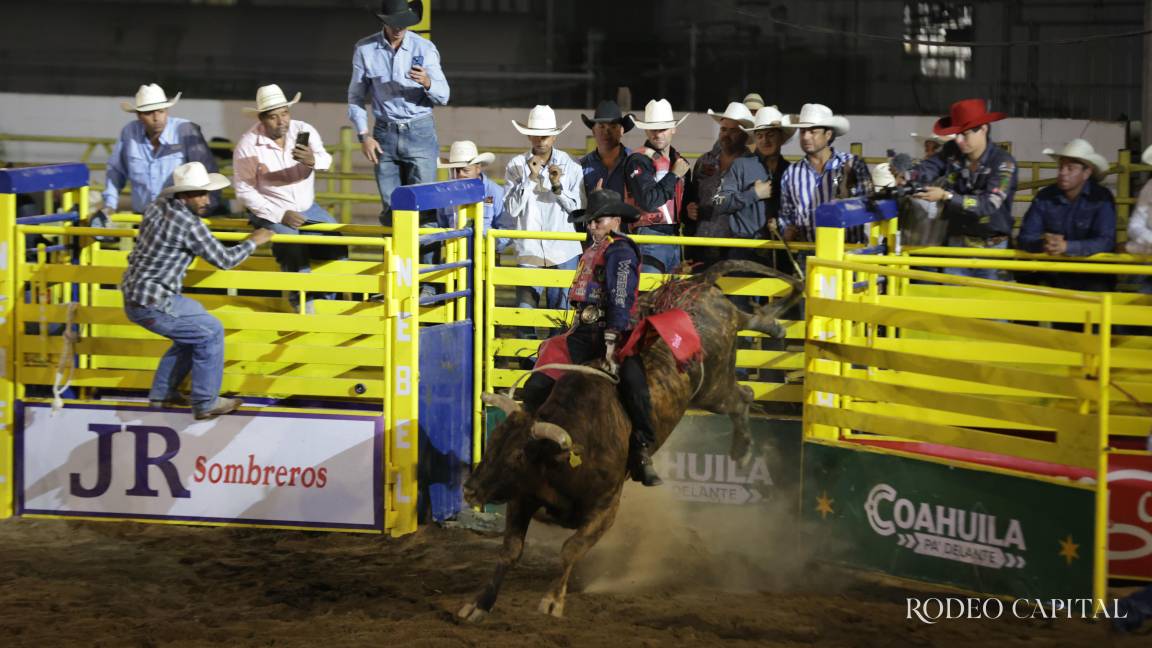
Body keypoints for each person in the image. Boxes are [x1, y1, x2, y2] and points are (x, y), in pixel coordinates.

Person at [521, 189, 662, 486]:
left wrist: (612, 339)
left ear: (616, 220)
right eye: (591, 221)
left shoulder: (620, 250)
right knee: (536, 384)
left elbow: (620, 295)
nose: (592, 226)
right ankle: (528, 441)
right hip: (581, 332)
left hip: (610, 333)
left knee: (635, 387)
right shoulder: (599, 245)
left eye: (598, 221)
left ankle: (641, 450)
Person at [121, 162, 273, 419]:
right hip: (156, 300)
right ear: (183, 196)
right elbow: (224, 259)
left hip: (137, 294)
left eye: (206, 192)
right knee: (210, 331)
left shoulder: (157, 206)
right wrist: (253, 240)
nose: (206, 199)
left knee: (195, 325)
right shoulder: (191, 225)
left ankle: (163, 394)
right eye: (199, 193)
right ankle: (205, 402)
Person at [233, 84, 343, 313]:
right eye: (273, 117)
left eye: (284, 113)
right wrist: (279, 214)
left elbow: (326, 160)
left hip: (306, 207)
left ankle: (330, 298)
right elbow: (244, 190)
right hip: (270, 210)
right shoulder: (247, 145)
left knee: (335, 238)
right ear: (262, 119)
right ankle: (302, 300)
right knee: (290, 240)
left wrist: (313, 160)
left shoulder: (304, 129)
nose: (281, 121)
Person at [348, 0, 449, 223]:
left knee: (425, 207)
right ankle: (397, 258)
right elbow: (355, 96)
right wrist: (364, 136)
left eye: (403, 24)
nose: (398, 29)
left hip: (419, 128)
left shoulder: (424, 48)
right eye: (394, 24)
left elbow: (444, 95)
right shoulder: (365, 49)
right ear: (383, 22)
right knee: (391, 209)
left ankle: (424, 259)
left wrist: (427, 82)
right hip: (384, 132)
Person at [906, 98, 1018, 279]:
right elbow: (929, 167)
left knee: (988, 303)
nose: (958, 140)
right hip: (957, 244)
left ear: (983, 129)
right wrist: (908, 176)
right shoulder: (952, 151)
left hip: (992, 249)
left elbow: (988, 204)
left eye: (964, 134)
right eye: (956, 134)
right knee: (952, 298)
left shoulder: (1003, 163)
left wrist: (947, 196)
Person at [98, 84, 220, 221]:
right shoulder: (129, 133)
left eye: (160, 111)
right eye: (149, 112)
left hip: (179, 219)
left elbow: (207, 171)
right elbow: (116, 171)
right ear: (139, 115)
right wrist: (110, 205)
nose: (156, 117)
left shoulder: (185, 130)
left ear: (167, 111)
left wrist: (205, 210)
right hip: (143, 218)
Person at [504, 105, 584, 312]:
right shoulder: (515, 165)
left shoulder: (571, 165)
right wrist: (530, 180)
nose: (541, 140)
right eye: (536, 135)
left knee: (562, 315)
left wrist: (557, 187)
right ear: (529, 136)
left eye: (545, 136)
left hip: (562, 250)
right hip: (531, 250)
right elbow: (511, 209)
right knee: (525, 313)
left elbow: (577, 210)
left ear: (554, 137)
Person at [1017, 139, 1116, 292]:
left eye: (1070, 168)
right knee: (1024, 277)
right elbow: (1025, 237)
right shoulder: (1044, 197)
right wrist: (1044, 243)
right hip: (1054, 272)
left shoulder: (1101, 198)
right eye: (1061, 167)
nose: (1063, 172)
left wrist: (1066, 247)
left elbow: (1106, 241)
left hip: (1090, 274)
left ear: (1087, 173)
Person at [779, 103, 873, 244]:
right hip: (809, 256)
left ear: (828, 134)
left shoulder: (853, 164)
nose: (805, 137)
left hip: (848, 254)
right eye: (803, 131)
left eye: (812, 131)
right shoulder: (791, 173)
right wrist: (786, 229)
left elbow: (870, 206)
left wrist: (848, 196)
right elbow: (785, 215)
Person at [695, 102, 771, 267]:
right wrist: (690, 208)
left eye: (733, 130)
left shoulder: (754, 166)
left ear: (744, 135)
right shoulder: (704, 161)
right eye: (723, 129)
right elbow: (693, 196)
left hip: (735, 246)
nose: (726, 135)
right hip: (701, 242)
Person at [623, 99, 693, 273]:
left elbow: (683, 204)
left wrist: (690, 210)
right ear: (646, 130)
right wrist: (674, 175)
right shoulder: (638, 159)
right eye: (654, 129)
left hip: (675, 237)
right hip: (649, 236)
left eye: (663, 129)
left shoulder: (679, 161)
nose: (658, 134)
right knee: (651, 294)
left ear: (673, 129)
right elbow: (648, 201)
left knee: (669, 297)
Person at [435, 140, 510, 250]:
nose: (459, 175)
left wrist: (492, 247)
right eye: (455, 170)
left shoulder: (495, 192)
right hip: (454, 255)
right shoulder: (444, 194)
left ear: (478, 168)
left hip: (486, 256)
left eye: (465, 170)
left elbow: (506, 228)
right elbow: (441, 225)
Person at [578, 100, 634, 200]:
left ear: (621, 130)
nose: (606, 132)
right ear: (593, 131)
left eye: (613, 126)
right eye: (601, 126)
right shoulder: (581, 167)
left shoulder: (635, 162)